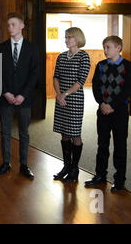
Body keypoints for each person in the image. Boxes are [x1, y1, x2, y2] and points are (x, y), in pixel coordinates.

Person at [85, 36, 131, 192]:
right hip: (103, 111)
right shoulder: (100, 65)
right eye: (104, 47)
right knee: (102, 144)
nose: (105, 50)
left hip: (119, 112)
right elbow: (95, 86)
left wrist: (112, 105)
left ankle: (120, 179)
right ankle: (100, 175)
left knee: (120, 145)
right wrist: (102, 104)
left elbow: (127, 90)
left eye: (108, 47)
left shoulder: (128, 66)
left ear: (118, 47)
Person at [0, 12, 39, 179]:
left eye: (13, 24)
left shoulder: (32, 48)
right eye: (8, 25)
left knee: (23, 133)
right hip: (5, 97)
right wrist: (5, 92)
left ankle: (24, 165)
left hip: (24, 99)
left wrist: (23, 95)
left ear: (22, 26)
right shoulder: (1, 47)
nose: (10, 27)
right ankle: (6, 163)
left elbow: (35, 74)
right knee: (5, 131)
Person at [53, 27, 90, 183]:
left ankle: (74, 169)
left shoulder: (84, 57)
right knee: (64, 132)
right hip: (61, 99)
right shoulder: (61, 57)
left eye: (69, 37)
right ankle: (66, 166)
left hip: (74, 99)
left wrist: (65, 94)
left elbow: (80, 81)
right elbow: (56, 77)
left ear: (77, 38)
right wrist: (58, 94)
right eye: (65, 37)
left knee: (75, 133)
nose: (66, 40)